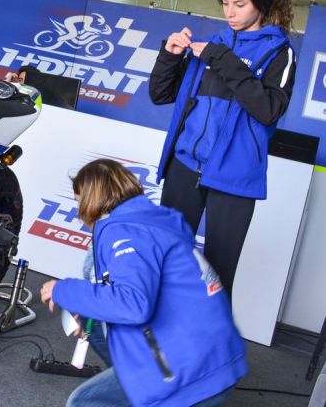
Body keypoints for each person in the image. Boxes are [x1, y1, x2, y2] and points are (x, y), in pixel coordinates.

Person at [40, 159, 247, 407]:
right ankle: (141, 390)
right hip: (215, 354)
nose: (78, 212)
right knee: (89, 319)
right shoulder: (150, 220)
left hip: (194, 370)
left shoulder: (125, 232)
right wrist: (82, 306)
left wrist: (61, 289)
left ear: (89, 198)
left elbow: (133, 305)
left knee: (85, 402)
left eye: (78, 202)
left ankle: (156, 391)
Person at [149, 0, 296, 296]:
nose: (230, 12)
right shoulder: (213, 43)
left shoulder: (278, 52)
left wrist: (223, 60)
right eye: (226, 3)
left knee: (216, 279)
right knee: (167, 262)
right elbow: (161, 95)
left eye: (239, 4)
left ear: (261, 4)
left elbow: (269, 110)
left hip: (234, 178)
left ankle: (210, 347)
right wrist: (170, 57)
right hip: (184, 167)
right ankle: (159, 344)